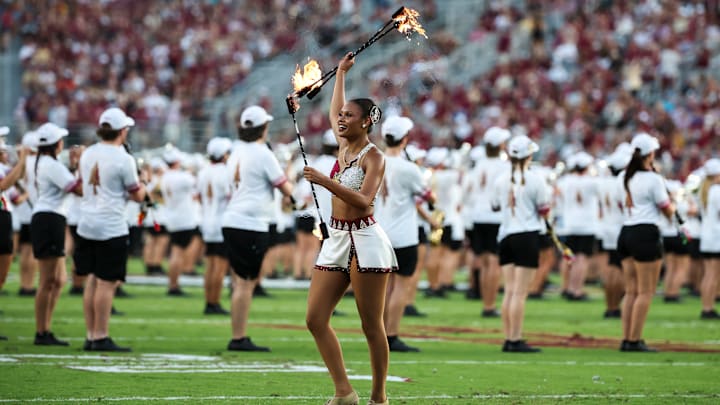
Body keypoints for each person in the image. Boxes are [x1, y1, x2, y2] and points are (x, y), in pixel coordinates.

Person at [302, 52, 396, 405]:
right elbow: (332, 108)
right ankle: (344, 392)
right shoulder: (342, 145)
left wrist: (325, 182)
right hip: (337, 238)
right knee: (314, 318)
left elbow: (365, 202)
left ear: (366, 122)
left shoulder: (375, 157)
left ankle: (379, 397)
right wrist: (340, 73)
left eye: (349, 116)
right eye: (341, 116)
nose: (341, 119)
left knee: (371, 325)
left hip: (367, 241)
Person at [222, 105, 294, 352]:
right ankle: (238, 337)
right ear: (264, 127)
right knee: (245, 282)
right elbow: (285, 187)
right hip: (250, 224)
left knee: (240, 280)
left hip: (233, 219)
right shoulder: (262, 153)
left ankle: (238, 335)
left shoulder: (234, 151)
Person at [76, 107, 146, 352]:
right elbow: (137, 195)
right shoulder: (122, 157)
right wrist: (145, 184)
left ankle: (90, 334)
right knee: (107, 283)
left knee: (92, 280)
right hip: (111, 224)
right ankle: (100, 335)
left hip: (87, 222)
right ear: (121, 131)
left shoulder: (88, 153)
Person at [376, 115, 434, 353]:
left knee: (383, 288)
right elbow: (428, 196)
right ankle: (391, 335)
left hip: (378, 231)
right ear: (404, 140)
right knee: (400, 287)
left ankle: (379, 335)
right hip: (403, 235)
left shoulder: (373, 161)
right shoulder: (409, 168)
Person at [617, 133, 675, 352]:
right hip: (645, 233)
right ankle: (634, 339)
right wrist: (676, 209)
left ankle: (626, 338)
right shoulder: (652, 178)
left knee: (631, 291)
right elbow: (666, 208)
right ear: (650, 154)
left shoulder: (625, 176)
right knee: (646, 291)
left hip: (626, 231)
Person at [491, 135, 549, 353]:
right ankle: (515, 338)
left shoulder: (500, 179)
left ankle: (509, 337)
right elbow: (544, 209)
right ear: (529, 155)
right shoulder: (536, 179)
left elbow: (495, 206)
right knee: (519, 292)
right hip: (526, 235)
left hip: (505, 235)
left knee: (509, 291)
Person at [31, 122, 83, 346]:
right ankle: (42, 331)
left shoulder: (46, 162)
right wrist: (81, 165)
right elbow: (78, 189)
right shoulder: (50, 164)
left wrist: (73, 166)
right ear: (56, 144)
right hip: (48, 219)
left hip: (51, 218)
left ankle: (46, 329)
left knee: (59, 279)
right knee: (47, 280)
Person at [466, 127, 511, 316]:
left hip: (478, 216)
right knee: (493, 263)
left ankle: (487, 304)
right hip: (495, 217)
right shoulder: (504, 166)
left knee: (484, 262)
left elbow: (468, 191)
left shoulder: (478, 165)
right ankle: (490, 305)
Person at [197, 137, 233, 315]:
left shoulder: (203, 171)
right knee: (219, 265)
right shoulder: (225, 172)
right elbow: (230, 195)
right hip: (221, 221)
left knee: (210, 264)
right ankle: (215, 302)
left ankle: (208, 302)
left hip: (207, 221)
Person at [161, 146, 201, 296]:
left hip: (172, 217)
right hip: (183, 219)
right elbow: (197, 184)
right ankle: (174, 285)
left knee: (176, 251)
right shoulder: (182, 177)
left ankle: (173, 284)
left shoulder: (166, 176)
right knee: (177, 252)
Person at [0, 127, 30, 294]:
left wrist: (22, 161)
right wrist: (22, 160)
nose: (4, 145)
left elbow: (17, 176)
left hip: (4, 214)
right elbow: (3, 185)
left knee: (5, 263)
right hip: (1, 214)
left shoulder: (2, 167)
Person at [15, 131, 39, 297]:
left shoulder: (20, 163)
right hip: (34, 212)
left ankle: (23, 283)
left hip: (21, 213)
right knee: (32, 253)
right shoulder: (38, 163)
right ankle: (29, 285)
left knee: (24, 252)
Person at [699, 158, 720, 319]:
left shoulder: (704, 190)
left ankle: (706, 306)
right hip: (716, 237)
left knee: (708, 274)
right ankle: (708, 307)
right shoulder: (716, 191)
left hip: (706, 236)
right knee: (713, 274)